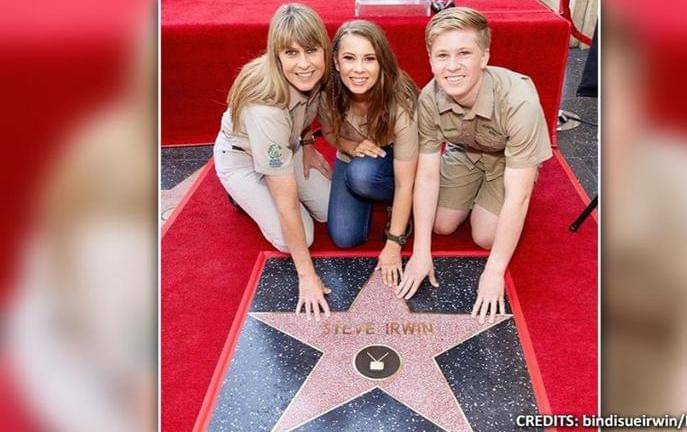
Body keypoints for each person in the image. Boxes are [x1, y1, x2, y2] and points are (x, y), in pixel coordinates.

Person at [398, 7, 553, 322]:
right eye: (442, 55)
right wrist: (420, 251)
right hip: (464, 152)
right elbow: (426, 176)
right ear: (430, 60)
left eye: (464, 53)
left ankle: (494, 194)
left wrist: (494, 271)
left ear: (484, 57)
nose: (452, 66)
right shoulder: (428, 99)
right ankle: (473, 194)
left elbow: (518, 195)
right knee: (440, 225)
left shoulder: (519, 102)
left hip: (507, 161)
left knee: (485, 237)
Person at [213, 4, 333, 320]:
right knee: (298, 237)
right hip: (242, 158)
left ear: (324, 49)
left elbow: (304, 115)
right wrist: (307, 276)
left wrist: (308, 142)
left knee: (329, 210)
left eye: (311, 51)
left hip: (287, 144)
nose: (304, 64)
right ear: (277, 56)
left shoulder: (318, 76)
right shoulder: (265, 109)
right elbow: (287, 205)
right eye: (291, 53)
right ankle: (239, 192)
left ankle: (273, 182)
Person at [319, 20, 419, 287]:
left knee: (362, 175)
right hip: (353, 153)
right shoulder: (327, 91)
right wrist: (350, 147)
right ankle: (369, 189)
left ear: (381, 61)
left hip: (398, 158)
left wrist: (394, 243)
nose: (359, 69)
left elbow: (405, 182)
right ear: (336, 62)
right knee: (344, 237)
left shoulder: (400, 102)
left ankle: (400, 209)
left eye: (369, 58)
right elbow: (329, 133)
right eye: (349, 58)